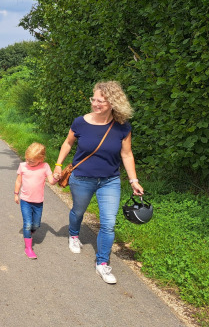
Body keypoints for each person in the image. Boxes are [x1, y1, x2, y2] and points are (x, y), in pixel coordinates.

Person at [53, 81, 144, 284]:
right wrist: (58, 165)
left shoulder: (122, 127)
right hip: (82, 178)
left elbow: (127, 154)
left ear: (112, 103)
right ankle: (74, 234)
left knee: (109, 224)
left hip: (110, 181)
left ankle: (102, 263)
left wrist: (133, 180)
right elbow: (68, 143)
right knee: (78, 211)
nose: (95, 104)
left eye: (101, 101)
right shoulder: (80, 122)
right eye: (93, 99)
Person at [14, 142, 58, 259]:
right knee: (27, 224)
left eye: (32, 161)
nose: (29, 162)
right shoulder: (23, 166)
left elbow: (52, 181)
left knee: (36, 224)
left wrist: (56, 177)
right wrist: (16, 193)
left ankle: (30, 232)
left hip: (38, 202)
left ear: (41, 159)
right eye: (27, 159)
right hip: (25, 200)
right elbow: (19, 181)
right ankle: (28, 248)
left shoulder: (45, 166)